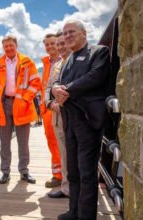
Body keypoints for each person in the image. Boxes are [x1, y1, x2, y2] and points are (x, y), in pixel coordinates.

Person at [52, 20, 110, 220]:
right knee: (73, 172)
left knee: (87, 173)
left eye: (72, 32)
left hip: (88, 122)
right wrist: (55, 88)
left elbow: (96, 77)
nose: (67, 35)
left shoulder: (98, 52)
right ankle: (73, 211)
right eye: (65, 32)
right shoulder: (67, 60)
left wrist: (66, 90)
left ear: (84, 33)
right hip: (69, 121)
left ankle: (86, 216)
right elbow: (59, 81)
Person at [0, 35, 41, 185]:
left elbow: (35, 82)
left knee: (23, 142)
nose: (9, 48)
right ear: (3, 47)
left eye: (11, 45)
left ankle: (24, 172)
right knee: (4, 142)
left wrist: (25, 99)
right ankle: (5, 172)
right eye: (6, 46)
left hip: (23, 105)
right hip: (4, 104)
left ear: (16, 45)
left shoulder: (27, 62)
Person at [45, 33, 71, 199]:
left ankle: (81, 190)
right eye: (58, 44)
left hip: (75, 117)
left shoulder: (79, 62)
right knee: (63, 153)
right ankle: (66, 188)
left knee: (76, 154)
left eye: (63, 44)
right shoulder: (56, 66)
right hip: (57, 117)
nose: (60, 47)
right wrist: (50, 104)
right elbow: (48, 87)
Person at [41, 33, 63, 188]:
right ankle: (57, 175)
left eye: (52, 43)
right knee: (52, 143)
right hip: (47, 110)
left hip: (61, 109)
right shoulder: (46, 64)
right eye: (47, 44)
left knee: (63, 142)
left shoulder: (65, 60)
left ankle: (67, 175)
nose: (50, 47)